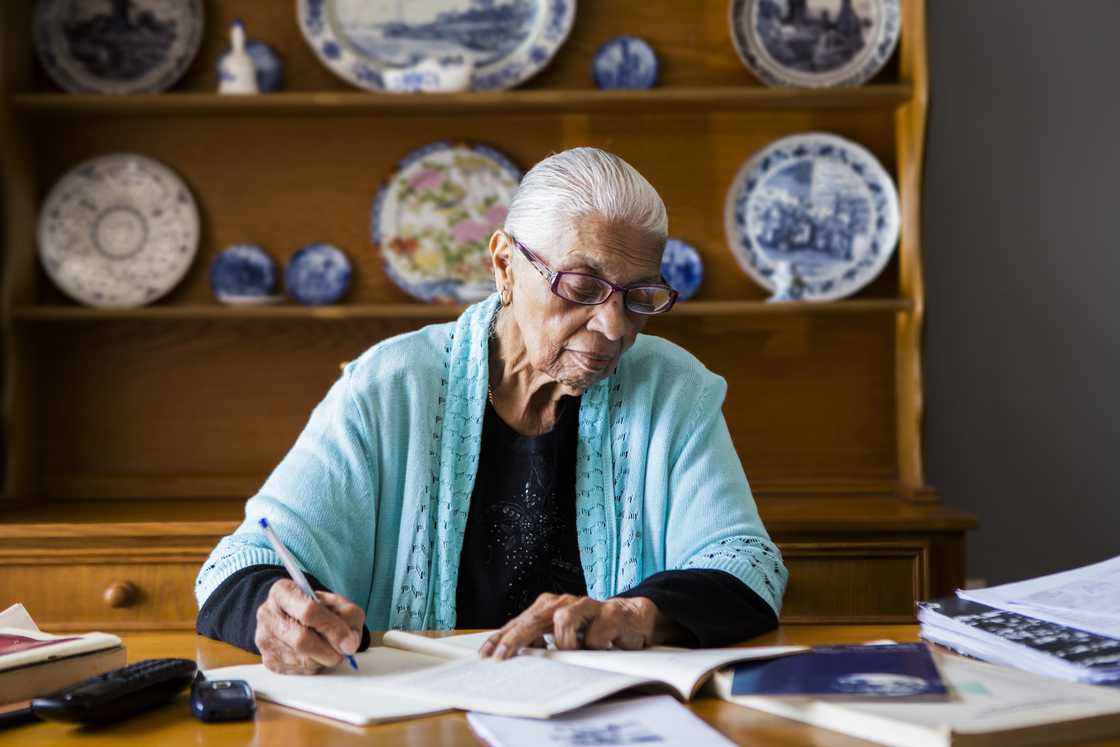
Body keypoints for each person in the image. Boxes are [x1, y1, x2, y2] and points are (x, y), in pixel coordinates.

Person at [195, 147, 788, 674]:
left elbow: (746, 566)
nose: (614, 327)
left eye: (640, 298)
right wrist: (276, 611)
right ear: (504, 264)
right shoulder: (391, 385)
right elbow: (239, 565)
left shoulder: (672, 389)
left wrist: (633, 614)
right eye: (582, 287)